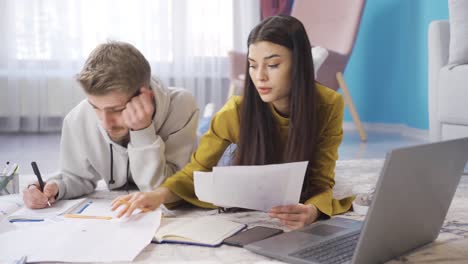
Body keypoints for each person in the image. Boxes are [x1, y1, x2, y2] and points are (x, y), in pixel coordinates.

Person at [113, 16, 354, 229]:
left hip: (288, 167)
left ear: (299, 65)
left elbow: (322, 181)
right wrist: (158, 195)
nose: (259, 76)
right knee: (219, 160)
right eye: (252, 65)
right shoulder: (236, 110)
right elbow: (195, 172)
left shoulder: (329, 104)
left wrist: (312, 211)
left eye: (272, 65)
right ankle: (207, 119)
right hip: (236, 159)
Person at [23, 41, 199, 209]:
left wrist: (142, 131)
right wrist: (56, 186)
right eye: (95, 107)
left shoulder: (181, 106)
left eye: (116, 109)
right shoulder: (77, 118)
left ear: (147, 96)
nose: (105, 122)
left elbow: (169, 190)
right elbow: (78, 177)